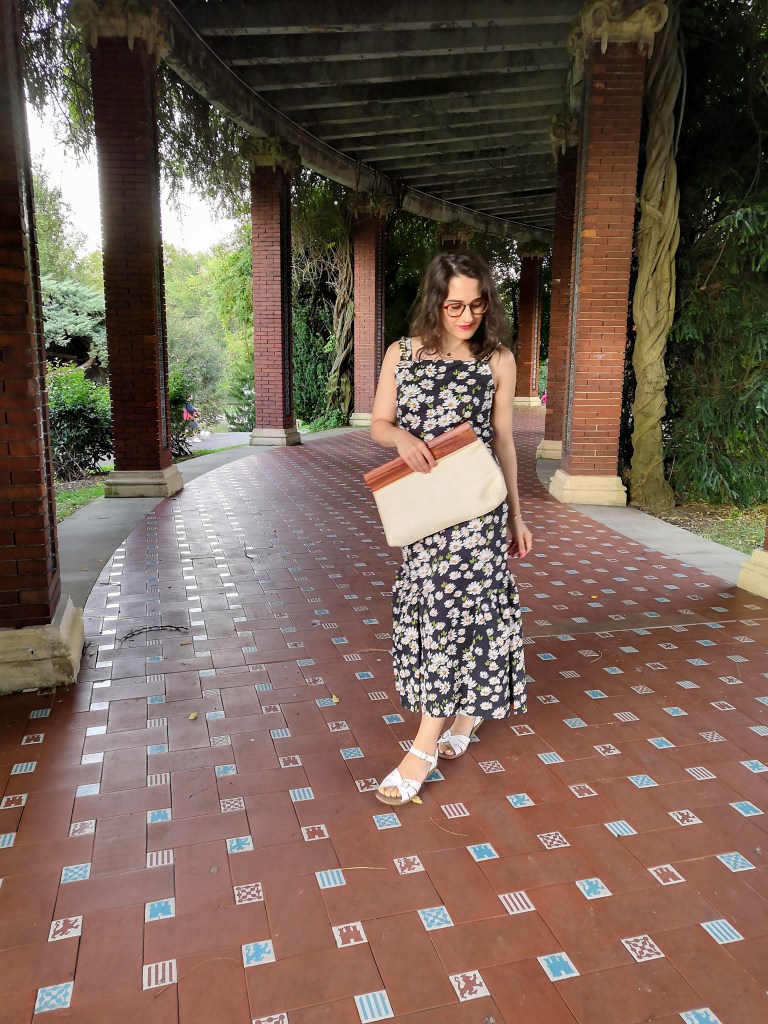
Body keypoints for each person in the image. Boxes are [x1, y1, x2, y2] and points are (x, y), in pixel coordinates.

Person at [370, 250, 533, 806]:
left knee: (462, 610)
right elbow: (378, 423)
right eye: (455, 304)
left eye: (477, 304)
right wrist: (402, 441)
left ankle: (422, 745)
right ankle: (466, 713)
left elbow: (505, 441)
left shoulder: (498, 360)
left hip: (477, 511)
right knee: (433, 608)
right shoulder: (402, 354)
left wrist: (515, 513)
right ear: (434, 302)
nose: (467, 316)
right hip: (424, 511)